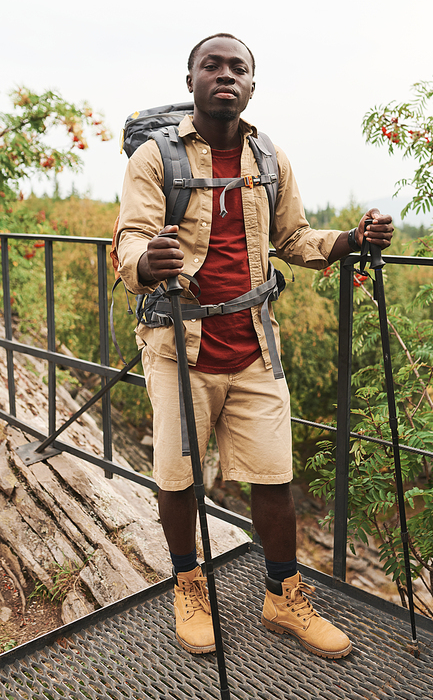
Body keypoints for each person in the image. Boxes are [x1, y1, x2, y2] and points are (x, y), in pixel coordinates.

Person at [116, 33, 394, 660]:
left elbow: (293, 237)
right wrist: (148, 258)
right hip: (178, 345)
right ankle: (190, 585)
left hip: (254, 347)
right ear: (190, 81)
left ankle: (282, 597)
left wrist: (352, 238)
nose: (224, 75)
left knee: (273, 476)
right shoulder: (155, 159)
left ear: (251, 84)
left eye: (237, 68)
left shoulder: (269, 158)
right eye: (210, 66)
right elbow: (129, 240)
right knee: (179, 476)